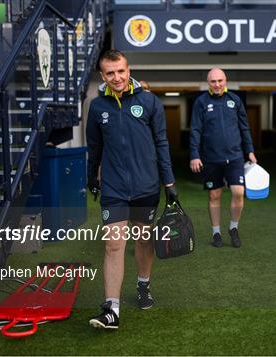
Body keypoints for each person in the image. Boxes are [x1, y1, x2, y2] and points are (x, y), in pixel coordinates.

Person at [86, 49, 177, 329]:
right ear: (103, 75)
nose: (116, 77)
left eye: (121, 71)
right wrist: (91, 177)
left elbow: (161, 143)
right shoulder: (97, 106)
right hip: (113, 187)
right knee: (113, 244)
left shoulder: (148, 101)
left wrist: (169, 182)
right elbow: (95, 147)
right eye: (110, 73)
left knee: (143, 240)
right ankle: (111, 309)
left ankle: (143, 285)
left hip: (146, 186)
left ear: (129, 70)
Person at [189, 68, 257, 248]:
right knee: (214, 195)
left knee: (238, 192)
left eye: (220, 80)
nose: (217, 84)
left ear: (225, 80)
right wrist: (194, 155)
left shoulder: (235, 101)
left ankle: (233, 228)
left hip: (235, 156)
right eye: (213, 81)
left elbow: (244, 127)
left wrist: (249, 150)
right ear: (208, 82)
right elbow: (195, 129)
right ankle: (216, 233)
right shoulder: (201, 102)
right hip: (211, 158)